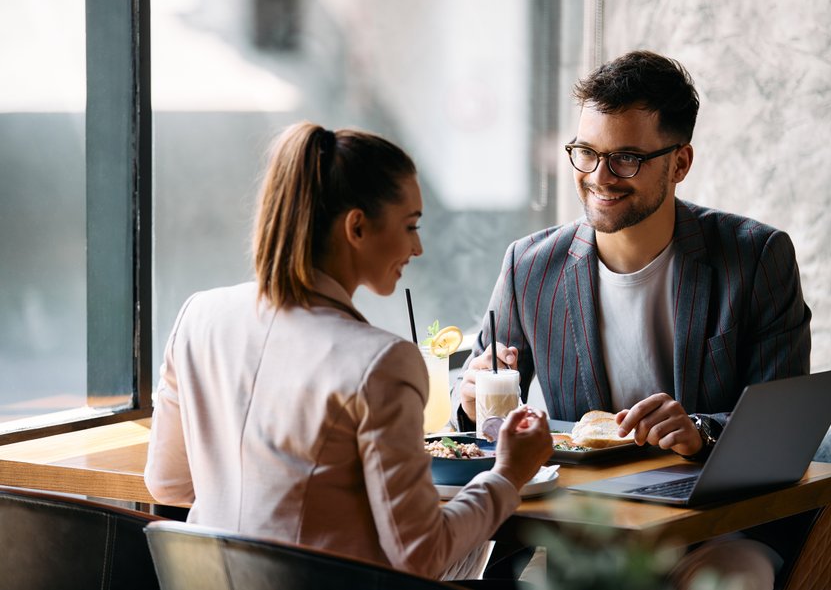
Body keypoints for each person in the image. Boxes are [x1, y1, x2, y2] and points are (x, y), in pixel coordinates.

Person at [451, 51, 812, 589]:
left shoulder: (756, 258)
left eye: (625, 159)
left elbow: (784, 428)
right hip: (586, 529)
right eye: (585, 153)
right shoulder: (529, 267)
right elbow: (477, 417)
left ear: (680, 163)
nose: (600, 177)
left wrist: (700, 432)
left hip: (717, 530)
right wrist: (471, 399)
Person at [144, 121, 553, 582]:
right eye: (410, 226)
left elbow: (168, 484)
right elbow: (422, 553)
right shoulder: (379, 361)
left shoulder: (199, 315)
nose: (417, 248)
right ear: (356, 227)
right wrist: (508, 474)